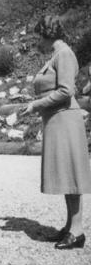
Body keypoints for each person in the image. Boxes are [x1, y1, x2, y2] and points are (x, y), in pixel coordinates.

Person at [21, 15, 91, 249]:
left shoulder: (64, 54)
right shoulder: (55, 55)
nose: (37, 42)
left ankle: (78, 231)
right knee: (66, 175)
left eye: (38, 37)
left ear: (48, 33)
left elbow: (65, 91)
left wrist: (35, 105)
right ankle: (70, 227)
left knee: (72, 175)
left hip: (65, 120)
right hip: (56, 120)